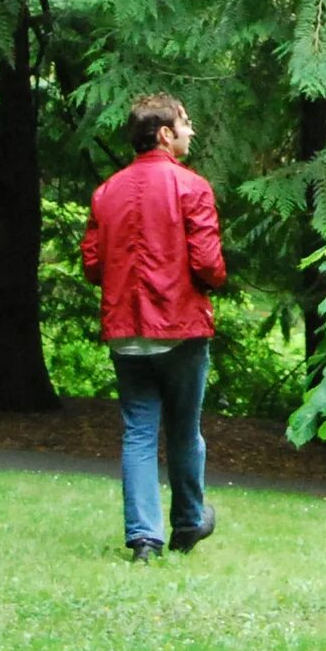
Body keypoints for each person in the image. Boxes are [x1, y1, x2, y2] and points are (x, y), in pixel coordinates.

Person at [81, 92, 227, 562]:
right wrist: (212, 280)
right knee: (184, 430)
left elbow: (92, 262)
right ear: (164, 133)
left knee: (138, 433)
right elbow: (208, 264)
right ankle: (188, 521)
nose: (191, 130)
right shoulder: (192, 187)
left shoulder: (107, 192)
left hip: (126, 330)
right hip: (180, 327)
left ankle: (145, 538)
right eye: (185, 122)